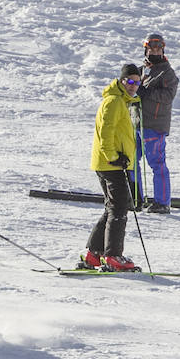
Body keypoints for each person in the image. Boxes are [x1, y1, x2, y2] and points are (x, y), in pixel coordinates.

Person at [79, 64, 143, 272]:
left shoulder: (120, 100)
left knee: (113, 206)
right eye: (130, 81)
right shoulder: (115, 101)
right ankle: (113, 255)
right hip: (110, 164)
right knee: (119, 207)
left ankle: (94, 254)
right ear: (122, 80)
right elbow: (105, 132)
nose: (134, 86)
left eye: (137, 82)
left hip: (111, 162)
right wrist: (114, 157)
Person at [138, 33, 179, 214]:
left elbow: (168, 96)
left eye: (158, 48)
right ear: (146, 49)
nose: (155, 51)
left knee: (156, 163)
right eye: (151, 48)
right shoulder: (142, 70)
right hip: (136, 123)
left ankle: (162, 202)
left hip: (154, 124)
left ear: (163, 50)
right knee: (131, 161)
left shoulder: (167, 73)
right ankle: (135, 197)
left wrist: (147, 93)